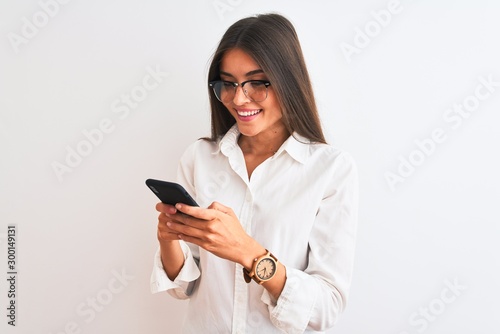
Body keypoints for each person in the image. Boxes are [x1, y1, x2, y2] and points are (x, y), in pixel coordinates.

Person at [150, 13, 358, 333]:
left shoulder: (330, 170)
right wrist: (168, 240)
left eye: (257, 82)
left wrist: (248, 252)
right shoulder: (199, 158)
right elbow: (184, 288)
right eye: (228, 83)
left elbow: (325, 308)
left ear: (288, 81)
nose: (239, 98)